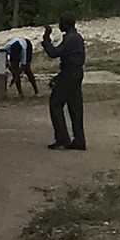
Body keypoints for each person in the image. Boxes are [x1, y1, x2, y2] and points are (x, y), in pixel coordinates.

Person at [41, 15, 86, 151]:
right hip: (75, 73)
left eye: (61, 23)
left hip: (69, 74)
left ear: (66, 24)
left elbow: (54, 53)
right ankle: (79, 140)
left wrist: (46, 39)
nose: (59, 25)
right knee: (75, 106)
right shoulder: (76, 37)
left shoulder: (70, 38)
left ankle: (62, 138)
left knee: (55, 104)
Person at [4, 34, 39, 98]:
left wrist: (16, 74)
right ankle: (20, 92)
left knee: (27, 70)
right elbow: (4, 61)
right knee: (15, 68)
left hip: (27, 45)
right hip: (15, 47)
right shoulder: (6, 48)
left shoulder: (23, 50)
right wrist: (12, 70)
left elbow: (23, 65)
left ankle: (36, 90)